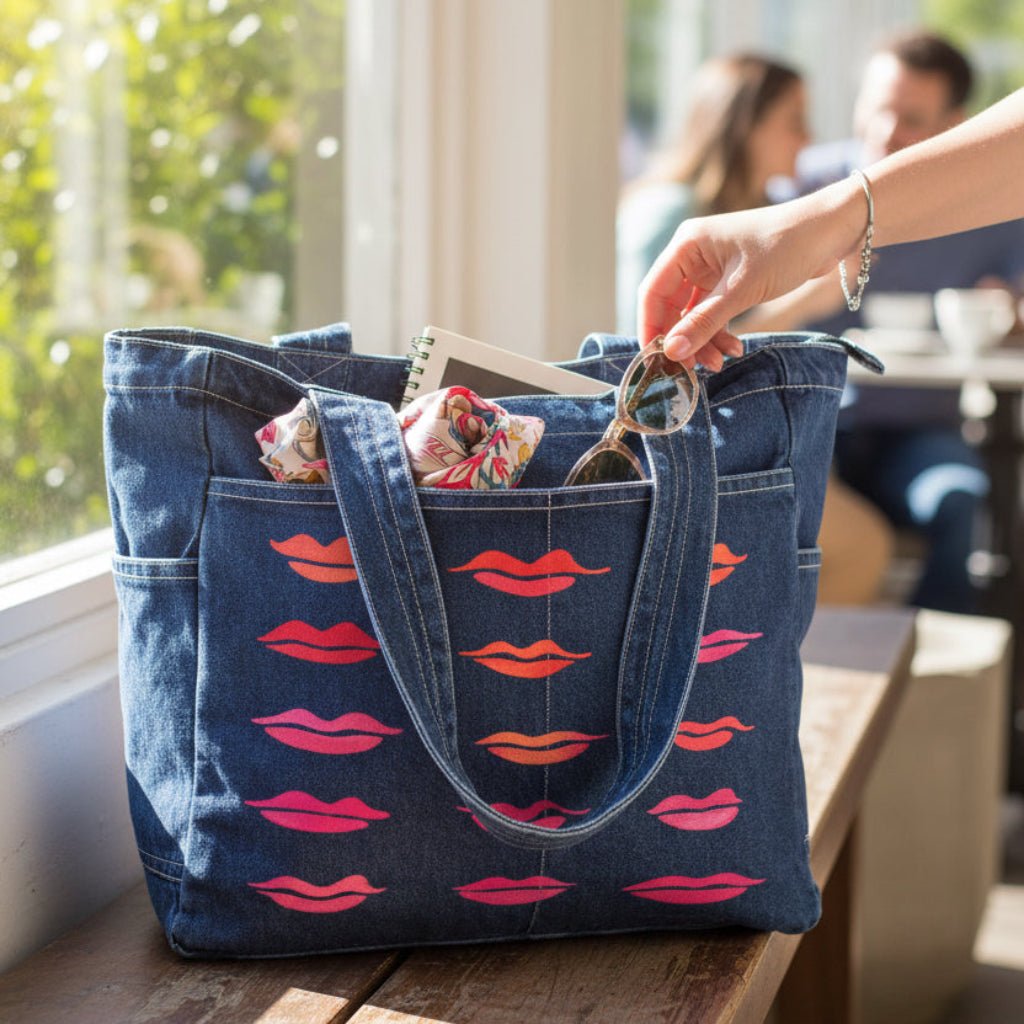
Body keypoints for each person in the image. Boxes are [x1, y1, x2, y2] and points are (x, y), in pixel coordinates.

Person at [616, 53, 809, 334]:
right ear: (747, 127)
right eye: (795, 122)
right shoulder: (668, 214)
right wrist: (803, 302)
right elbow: (645, 355)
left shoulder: (765, 213)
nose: (808, 137)